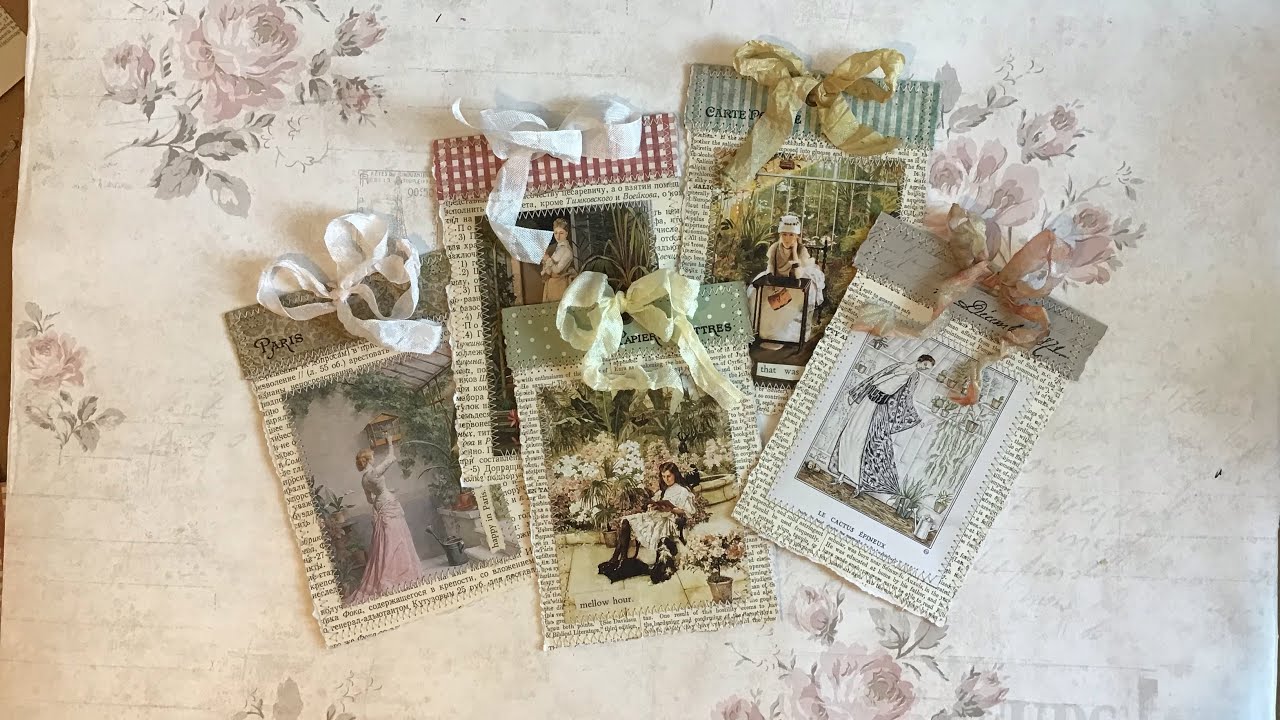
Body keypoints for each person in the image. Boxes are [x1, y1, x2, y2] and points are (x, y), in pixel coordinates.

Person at [828, 355, 935, 500]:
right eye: (925, 365)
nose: (925, 369)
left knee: (864, 442)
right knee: (849, 434)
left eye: (927, 368)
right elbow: (877, 378)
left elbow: (906, 398)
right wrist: (860, 392)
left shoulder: (914, 377)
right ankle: (841, 476)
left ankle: (859, 485)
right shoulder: (900, 365)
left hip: (879, 407)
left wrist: (915, 418)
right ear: (921, 360)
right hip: (868, 401)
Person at [344, 437, 424, 604]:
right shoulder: (373, 473)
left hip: (381, 505)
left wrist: (384, 492)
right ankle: (399, 574)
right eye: (372, 456)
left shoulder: (364, 479)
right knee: (397, 538)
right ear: (368, 459)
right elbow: (390, 458)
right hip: (388, 503)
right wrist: (389, 442)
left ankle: (393, 570)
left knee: (387, 540)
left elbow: (369, 499)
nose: (374, 457)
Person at [598, 462, 698, 583]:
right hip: (657, 515)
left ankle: (619, 561)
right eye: (664, 476)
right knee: (626, 521)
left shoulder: (682, 491)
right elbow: (659, 504)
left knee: (637, 522)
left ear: (675, 475)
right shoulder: (665, 490)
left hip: (669, 520)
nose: (666, 479)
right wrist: (654, 505)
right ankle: (620, 559)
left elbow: (687, 512)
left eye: (669, 476)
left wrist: (671, 509)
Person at [749, 214, 827, 346]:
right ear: (780, 234)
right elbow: (771, 269)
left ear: (797, 236)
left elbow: (798, 276)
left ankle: (778, 335)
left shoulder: (801, 250)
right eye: (784, 234)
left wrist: (795, 253)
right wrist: (772, 283)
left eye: (791, 235)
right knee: (756, 295)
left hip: (794, 283)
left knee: (786, 306)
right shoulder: (775, 248)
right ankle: (763, 333)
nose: (787, 238)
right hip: (778, 281)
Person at [539, 218, 577, 302]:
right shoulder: (557, 249)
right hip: (552, 284)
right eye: (556, 233)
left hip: (560, 284)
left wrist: (548, 259)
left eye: (561, 233)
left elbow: (557, 270)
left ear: (566, 233)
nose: (558, 236)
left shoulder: (567, 251)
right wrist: (545, 263)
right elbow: (549, 271)